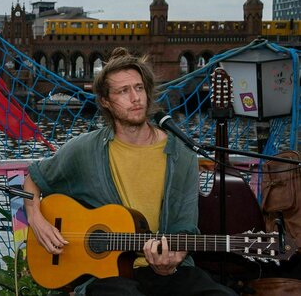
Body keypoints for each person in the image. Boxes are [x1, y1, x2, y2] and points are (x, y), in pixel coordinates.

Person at [23, 47, 236, 296]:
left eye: (139, 88)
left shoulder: (183, 154)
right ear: (105, 100)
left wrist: (172, 259)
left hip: (168, 272)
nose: (135, 98)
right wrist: (36, 220)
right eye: (123, 91)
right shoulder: (85, 149)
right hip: (105, 275)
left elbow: (185, 228)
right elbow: (34, 180)